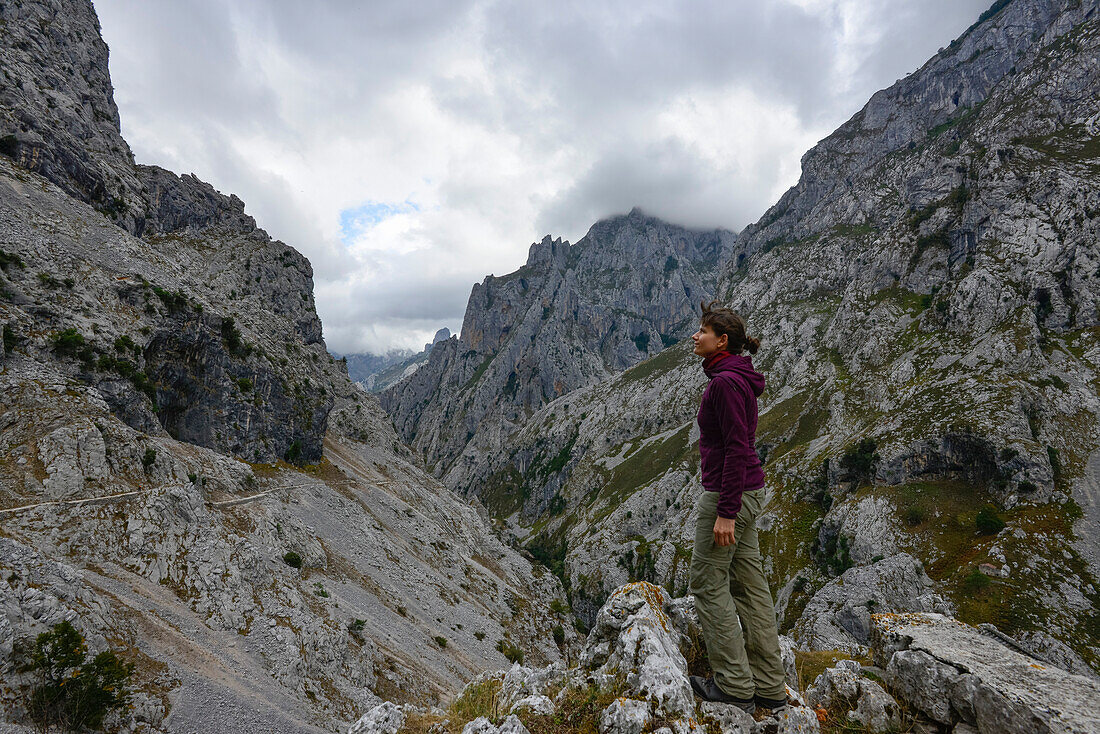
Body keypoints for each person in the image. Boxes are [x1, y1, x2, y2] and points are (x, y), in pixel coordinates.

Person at [687, 300, 787, 715]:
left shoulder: (725, 383)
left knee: (708, 582)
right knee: (749, 585)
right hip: (749, 491)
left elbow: (735, 449)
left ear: (722, 340)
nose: (695, 336)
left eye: (703, 331)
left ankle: (733, 685)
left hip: (731, 496)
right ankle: (769, 686)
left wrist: (726, 511)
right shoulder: (735, 378)